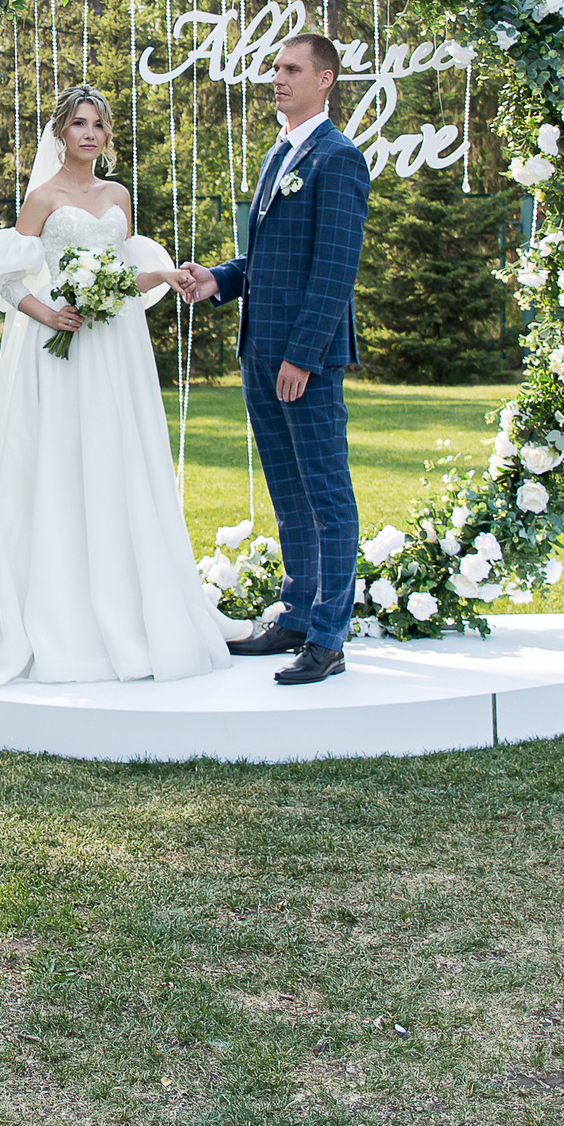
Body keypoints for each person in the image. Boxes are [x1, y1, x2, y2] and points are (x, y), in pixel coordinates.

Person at [0, 84, 225, 688]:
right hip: (62, 344)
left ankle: (130, 601)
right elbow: (4, 276)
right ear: (61, 133)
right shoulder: (41, 198)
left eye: (98, 123)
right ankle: (61, 610)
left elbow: (123, 270)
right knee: (62, 460)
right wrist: (50, 315)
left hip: (116, 344)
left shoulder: (118, 195)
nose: (89, 133)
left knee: (117, 459)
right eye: (78, 124)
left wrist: (163, 274)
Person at [182, 34, 371, 686]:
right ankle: (294, 613)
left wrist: (303, 355)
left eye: (291, 69)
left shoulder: (338, 157)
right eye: (275, 68)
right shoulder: (279, 152)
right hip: (257, 350)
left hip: (303, 360)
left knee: (326, 494)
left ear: (326, 80)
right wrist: (218, 279)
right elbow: (269, 260)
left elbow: (334, 269)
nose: (277, 77)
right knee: (288, 492)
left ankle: (329, 637)